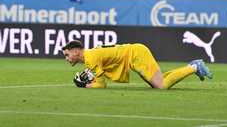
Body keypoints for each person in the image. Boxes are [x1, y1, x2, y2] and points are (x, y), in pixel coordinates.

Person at [62, 40, 213, 89]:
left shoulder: (91, 58)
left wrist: (85, 85)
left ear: (76, 51)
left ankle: (194, 67)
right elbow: (99, 80)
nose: (67, 58)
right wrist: (92, 81)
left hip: (136, 55)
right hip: (134, 54)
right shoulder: (90, 56)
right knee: (158, 83)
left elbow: (101, 85)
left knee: (161, 86)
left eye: (67, 54)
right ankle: (193, 65)